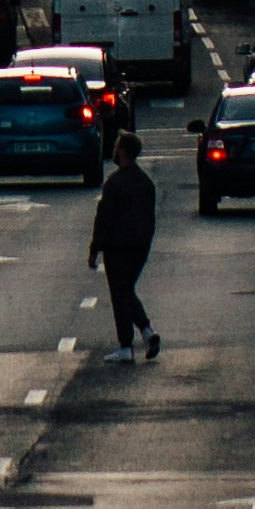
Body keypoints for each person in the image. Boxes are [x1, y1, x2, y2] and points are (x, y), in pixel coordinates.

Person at [88, 120, 161, 360]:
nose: (114, 148)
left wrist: (94, 249)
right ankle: (147, 332)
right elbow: (150, 217)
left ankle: (126, 346)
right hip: (140, 246)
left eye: (117, 145)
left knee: (120, 294)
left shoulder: (114, 183)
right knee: (126, 291)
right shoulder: (145, 182)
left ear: (122, 151)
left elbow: (103, 218)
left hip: (117, 247)